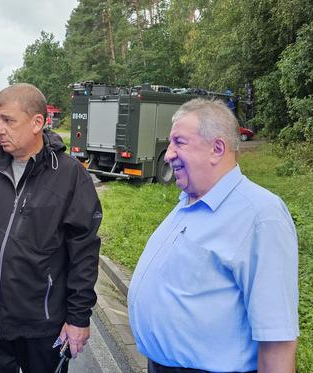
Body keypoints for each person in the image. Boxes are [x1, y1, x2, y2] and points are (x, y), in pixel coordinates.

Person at [128, 98, 299, 373]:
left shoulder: (260, 216)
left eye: (179, 143)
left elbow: (276, 338)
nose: (169, 154)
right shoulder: (188, 201)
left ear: (216, 148)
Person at [0, 83, 102, 373]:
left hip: (43, 327)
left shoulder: (70, 176)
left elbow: (84, 254)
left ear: (37, 122)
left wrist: (78, 318)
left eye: (8, 120)